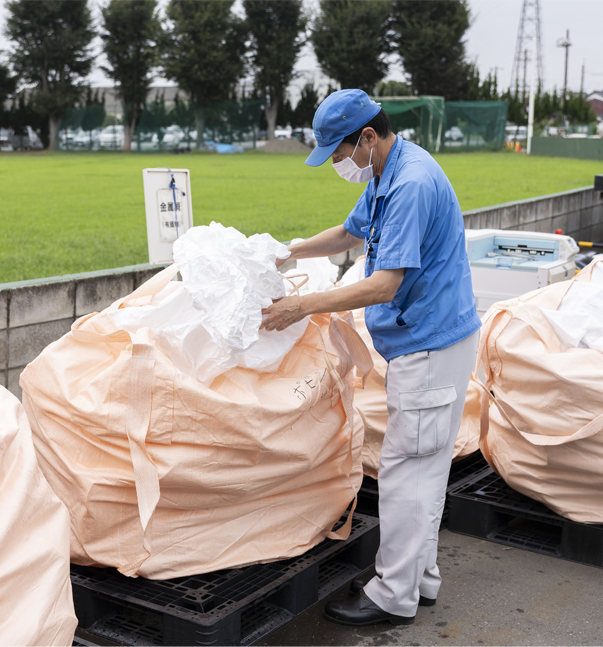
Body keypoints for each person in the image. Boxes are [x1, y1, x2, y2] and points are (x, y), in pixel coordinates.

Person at [260, 89, 480, 627]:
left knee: (408, 473)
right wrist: (290, 250)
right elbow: (351, 232)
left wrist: (301, 305)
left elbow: (384, 284)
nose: (338, 165)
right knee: (422, 470)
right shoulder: (388, 171)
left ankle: (392, 596)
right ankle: (419, 580)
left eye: (338, 154)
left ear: (366, 138)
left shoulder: (410, 184)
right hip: (423, 339)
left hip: (430, 345)